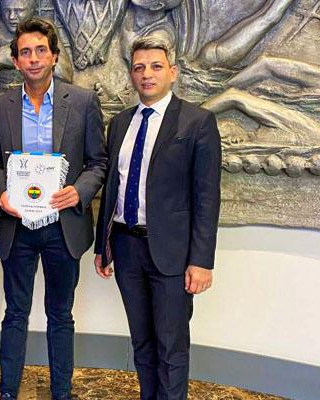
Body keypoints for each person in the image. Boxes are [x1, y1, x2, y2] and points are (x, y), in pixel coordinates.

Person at [0, 17, 106, 400]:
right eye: (25, 52)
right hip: (17, 226)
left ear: (54, 56)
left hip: (63, 226)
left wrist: (79, 192)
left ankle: (61, 393)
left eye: (41, 50)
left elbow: (98, 162)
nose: (33, 58)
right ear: (15, 61)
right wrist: (2, 193)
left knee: (61, 315)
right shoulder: (1, 106)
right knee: (14, 313)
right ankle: (8, 392)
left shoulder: (83, 102)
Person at [94, 35, 221, 400]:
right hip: (126, 248)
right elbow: (113, 188)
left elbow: (207, 197)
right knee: (142, 344)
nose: (146, 74)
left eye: (155, 66)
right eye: (139, 68)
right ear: (132, 75)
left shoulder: (197, 122)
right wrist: (103, 245)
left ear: (172, 72)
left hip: (172, 254)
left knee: (171, 348)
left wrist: (201, 261)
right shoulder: (120, 123)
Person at [0, 0, 73, 90]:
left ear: (32, 10)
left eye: (19, 11)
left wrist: (37, 54)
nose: (11, 17)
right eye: (6, 11)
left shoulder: (44, 29)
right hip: (1, 98)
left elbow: (66, 75)